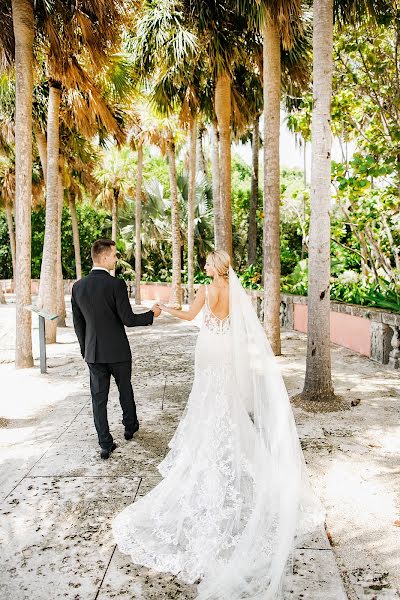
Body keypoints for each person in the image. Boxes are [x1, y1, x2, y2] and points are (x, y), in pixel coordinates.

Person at [112, 250, 324, 598]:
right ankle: (230, 439)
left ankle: (209, 443)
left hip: (209, 347)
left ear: (217, 266)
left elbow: (192, 316)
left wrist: (165, 309)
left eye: (208, 262)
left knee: (206, 396)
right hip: (226, 348)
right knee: (224, 398)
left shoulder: (207, 289)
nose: (205, 266)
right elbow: (242, 329)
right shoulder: (235, 290)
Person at [71, 238, 161, 460]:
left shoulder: (78, 287)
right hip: (118, 351)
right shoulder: (116, 284)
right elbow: (128, 319)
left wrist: (86, 351)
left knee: (98, 399)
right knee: (125, 389)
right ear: (103, 257)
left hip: (93, 352)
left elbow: (78, 324)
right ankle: (130, 427)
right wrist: (152, 315)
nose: (116, 258)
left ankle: (105, 443)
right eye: (114, 255)